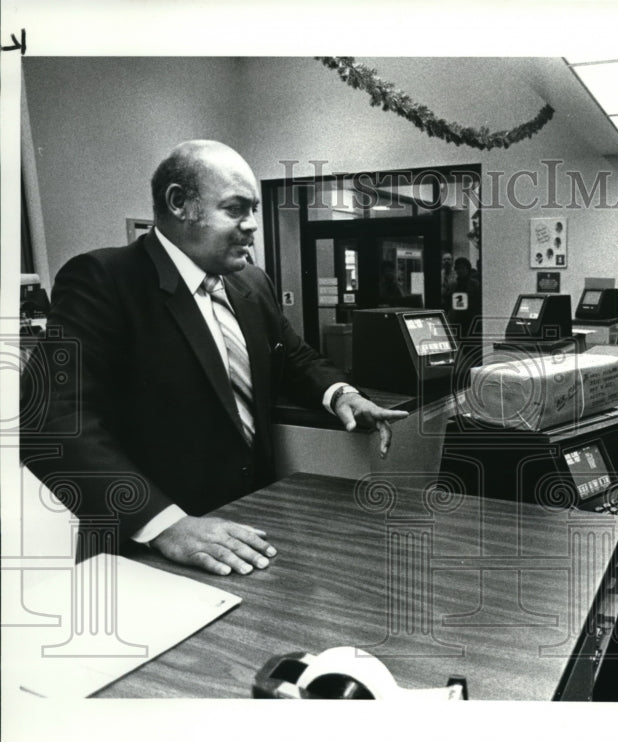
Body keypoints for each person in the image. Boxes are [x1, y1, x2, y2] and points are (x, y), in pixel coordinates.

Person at [21, 140, 408, 577]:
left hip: (250, 531)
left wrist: (341, 395)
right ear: (179, 203)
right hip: (147, 552)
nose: (252, 225)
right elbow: (49, 422)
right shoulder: (104, 281)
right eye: (236, 209)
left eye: (254, 209)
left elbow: (292, 356)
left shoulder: (252, 284)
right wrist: (167, 526)